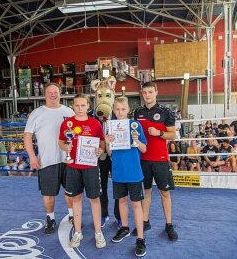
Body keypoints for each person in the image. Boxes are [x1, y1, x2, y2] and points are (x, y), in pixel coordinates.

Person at [24, 82, 75, 234]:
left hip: (68, 159)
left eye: (55, 92)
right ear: (45, 95)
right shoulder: (37, 113)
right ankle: (50, 219)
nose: (53, 94)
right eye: (49, 92)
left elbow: (77, 135)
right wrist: (32, 157)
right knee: (48, 193)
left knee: (71, 191)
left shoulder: (69, 111)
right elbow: (27, 137)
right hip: (47, 160)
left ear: (60, 93)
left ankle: (73, 216)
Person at [58, 94, 106, 249]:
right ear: (73, 106)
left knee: (95, 200)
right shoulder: (67, 123)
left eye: (83, 105)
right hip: (73, 166)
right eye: (77, 105)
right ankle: (78, 231)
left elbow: (102, 142)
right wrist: (66, 147)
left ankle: (98, 232)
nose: (80, 108)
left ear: (88, 106)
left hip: (91, 166)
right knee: (76, 199)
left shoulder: (95, 123)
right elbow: (60, 141)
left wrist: (100, 150)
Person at [133, 81, 178, 241]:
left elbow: (173, 135)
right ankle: (145, 222)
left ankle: (169, 224)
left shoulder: (166, 112)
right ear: (142, 94)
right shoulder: (137, 112)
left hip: (160, 159)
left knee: (164, 193)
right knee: (145, 192)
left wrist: (159, 133)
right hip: (142, 159)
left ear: (156, 92)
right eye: (145, 93)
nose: (147, 95)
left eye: (150, 92)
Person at [105, 97, 147, 257]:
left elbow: (144, 149)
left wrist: (137, 141)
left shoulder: (135, 126)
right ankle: (125, 228)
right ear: (114, 110)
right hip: (118, 172)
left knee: (136, 204)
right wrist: (107, 143)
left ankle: (141, 238)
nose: (120, 112)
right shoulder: (111, 127)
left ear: (128, 109)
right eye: (117, 109)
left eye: (123, 109)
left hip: (134, 172)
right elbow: (109, 153)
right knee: (121, 201)